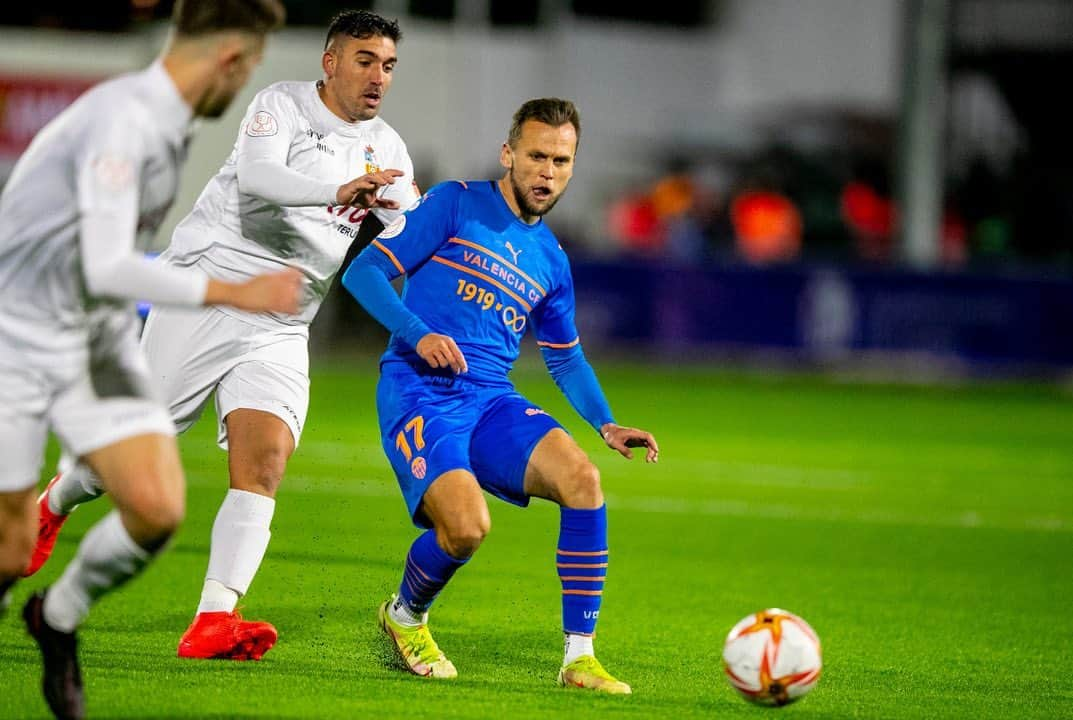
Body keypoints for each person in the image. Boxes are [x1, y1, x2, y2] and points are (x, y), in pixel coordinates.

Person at [26, 9, 418, 665]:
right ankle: (52, 504)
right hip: (208, 292)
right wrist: (339, 190)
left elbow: (403, 222)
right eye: (363, 60)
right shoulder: (283, 105)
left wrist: (405, 218)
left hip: (283, 323)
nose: (377, 76)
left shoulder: (391, 150)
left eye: (387, 65)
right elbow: (261, 179)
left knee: (264, 462)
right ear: (329, 61)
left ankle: (213, 618)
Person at [0, 1, 296, 717]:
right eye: (251, 66)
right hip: (25, 330)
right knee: (8, 551)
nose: (248, 83)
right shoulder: (125, 122)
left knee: (157, 508)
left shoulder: (168, 125)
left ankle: (57, 619)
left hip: (93, 336)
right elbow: (106, 265)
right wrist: (234, 290)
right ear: (231, 58)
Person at [341, 98, 659, 693]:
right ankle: (405, 615)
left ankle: (579, 660)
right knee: (465, 529)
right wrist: (419, 332)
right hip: (420, 392)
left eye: (561, 161)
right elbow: (362, 274)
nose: (547, 171)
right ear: (508, 154)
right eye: (537, 155)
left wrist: (606, 423)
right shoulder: (455, 203)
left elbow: (565, 358)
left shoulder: (552, 260)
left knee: (583, 480)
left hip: (491, 398)